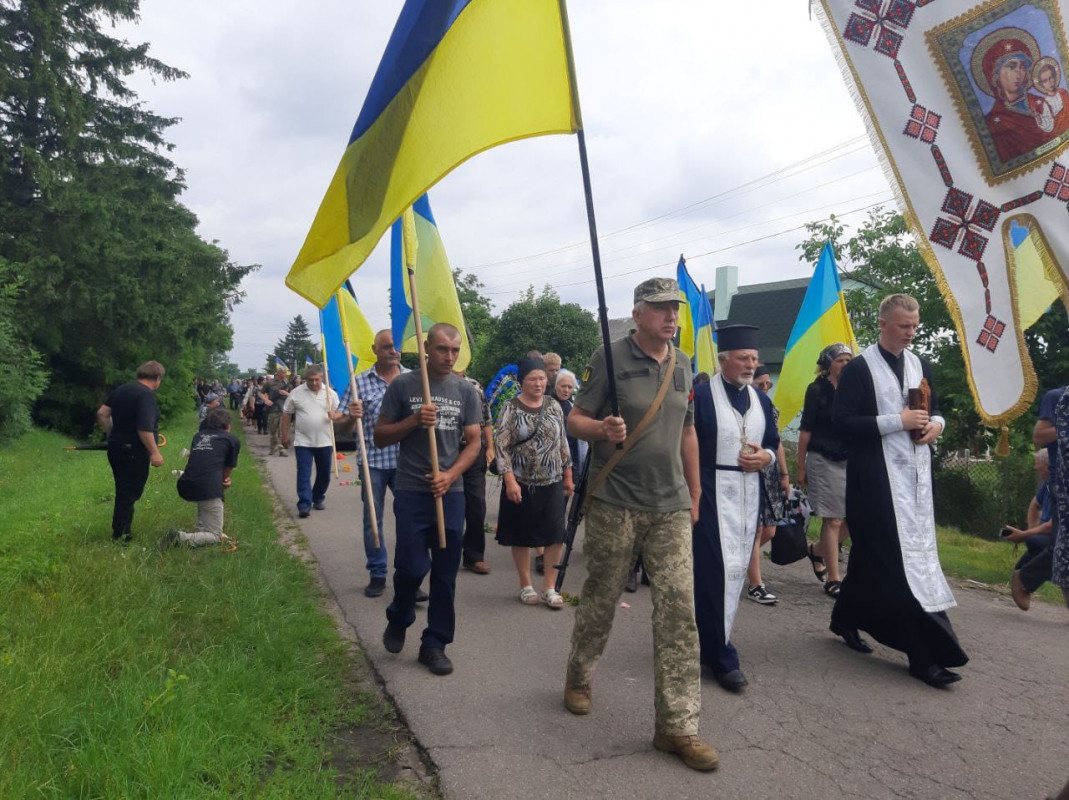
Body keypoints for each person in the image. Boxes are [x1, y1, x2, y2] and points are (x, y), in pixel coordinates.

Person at [564, 277, 717, 772]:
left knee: (678, 612)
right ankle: (580, 674)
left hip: (669, 504)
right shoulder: (609, 357)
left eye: (675, 308)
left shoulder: (684, 362)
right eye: (661, 308)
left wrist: (695, 490)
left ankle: (677, 728)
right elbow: (576, 419)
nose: (671, 315)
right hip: (615, 500)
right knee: (603, 596)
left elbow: (687, 429)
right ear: (638, 313)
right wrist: (600, 429)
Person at [830, 294, 967, 688]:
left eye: (915, 326)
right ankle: (925, 658)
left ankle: (844, 619)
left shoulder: (919, 364)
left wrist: (935, 426)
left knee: (873, 559)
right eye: (904, 326)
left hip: (915, 482)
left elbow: (935, 409)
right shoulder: (859, 369)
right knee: (899, 566)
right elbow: (842, 423)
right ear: (884, 324)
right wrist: (897, 420)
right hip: (873, 484)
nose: (911, 333)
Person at [375, 323, 482, 677]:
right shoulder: (405, 386)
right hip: (410, 490)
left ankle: (434, 644)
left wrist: (450, 475)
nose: (449, 357)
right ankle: (400, 615)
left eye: (454, 350)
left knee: (445, 574)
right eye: (442, 349)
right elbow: (380, 436)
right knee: (410, 567)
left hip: (449, 493)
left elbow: (474, 443)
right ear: (426, 347)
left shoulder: (466, 391)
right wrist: (413, 421)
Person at [692, 326, 781, 692]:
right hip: (711, 492)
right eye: (743, 358)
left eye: (754, 359)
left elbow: (773, 443)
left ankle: (708, 642)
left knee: (736, 569)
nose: (751, 365)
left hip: (748, 493)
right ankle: (721, 654)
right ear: (724, 359)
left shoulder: (760, 400)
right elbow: (686, 445)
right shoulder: (699, 396)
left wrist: (767, 457)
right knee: (715, 570)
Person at [494, 356, 573, 607]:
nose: (539, 383)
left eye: (542, 378)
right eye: (532, 379)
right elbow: (501, 445)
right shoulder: (510, 407)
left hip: (552, 481)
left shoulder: (554, 406)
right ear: (522, 381)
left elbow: (562, 442)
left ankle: (549, 587)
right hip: (521, 482)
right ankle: (525, 584)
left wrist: (568, 475)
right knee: (521, 534)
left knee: (555, 535)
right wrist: (509, 480)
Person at [340, 330, 410, 597]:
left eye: (396, 347)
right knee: (373, 520)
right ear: (375, 350)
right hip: (373, 462)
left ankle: (408, 575)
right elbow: (345, 429)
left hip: (408, 462)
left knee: (409, 520)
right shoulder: (359, 382)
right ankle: (378, 573)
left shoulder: (414, 379)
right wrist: (350, 416)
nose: (393, 351)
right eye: (386, 347)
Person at [797, 343, 854, 598]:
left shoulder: (856, 390)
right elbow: (806, 429)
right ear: (828, 363)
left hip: (851, 459)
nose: (845, 364)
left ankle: (816, 550)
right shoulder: (816, 389)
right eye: (840, 360)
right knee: (832, 518)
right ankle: (834, 578)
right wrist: (800, 466)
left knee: (854, 520)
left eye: (849, 360)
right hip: (823, 457)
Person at [97, 360, 166, 543]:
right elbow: (144, 428)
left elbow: (102, 413)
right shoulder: (146, 396)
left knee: (124, 490)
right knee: (130, 492)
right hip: (134, 451)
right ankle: (120, 535)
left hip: (116, 448)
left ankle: (123, 529)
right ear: (157, 378)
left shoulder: (122, 390)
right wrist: (154, 452)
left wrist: (113, 433)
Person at [160, 408, 240, 548]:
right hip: (207, 486)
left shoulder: (198, 436)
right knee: (216, 536)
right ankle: (179, 537)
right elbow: (227, 471)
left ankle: (201, 532)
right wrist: (224, 481)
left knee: (205, 497)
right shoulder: (232, 440)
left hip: (186, 483)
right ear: (228, 426)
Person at [746, 365, 788, 606]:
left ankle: (740, 563)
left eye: (767, 384)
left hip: (770, 470)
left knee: (769, 530)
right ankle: (755, 584)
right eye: (759, 384)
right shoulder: (746, 407)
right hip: (751, 469)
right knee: (756, 530)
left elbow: (777, 441)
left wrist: (784, 473)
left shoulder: (768, 406)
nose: (764, 388)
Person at [281, 365, 344, 519]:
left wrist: (336, 416)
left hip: (325, 440)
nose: (314, 383)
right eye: (310, 380)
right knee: (304, 473)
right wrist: (284, 435)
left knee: (324, 475)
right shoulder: (296, 393)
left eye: (317, 379)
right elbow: (286, 414)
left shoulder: (330, 393)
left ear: (322, 378)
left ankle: (318, 497)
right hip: (303, 442)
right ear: (305, 379)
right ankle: (304, 504)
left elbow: (341, 412)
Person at [455, 367, 495, 576]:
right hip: (446, 452)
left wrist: (490, 447)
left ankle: (474, 556)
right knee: (446, 505)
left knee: (476, 504)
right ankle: (446, 553)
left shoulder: (475, 386)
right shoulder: (433, 385)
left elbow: (486, 420)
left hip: (473, 450)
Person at [1005, 450, 1056, 610]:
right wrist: (1032, 530)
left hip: (1053, 533)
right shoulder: (1050, 484)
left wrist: (1025, 535)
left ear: (1048, 466)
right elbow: (1035, 505)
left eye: (1038, 464)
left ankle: (1022, 574)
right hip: (1052, 534)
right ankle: (1025, 580)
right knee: (1055, 549)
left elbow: (1055, 524)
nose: (1035, 468)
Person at [262, 369, 291, 456]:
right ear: (278, 373)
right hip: (273, 410)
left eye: (286, 373)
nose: (285, 374)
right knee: (273, 430)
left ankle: (281, 449)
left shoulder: (287, 383)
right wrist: (266, 400)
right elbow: (261, 393)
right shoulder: (269, 383)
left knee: (281, 431)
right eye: (284, 372)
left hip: (284, 410)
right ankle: (273, 448)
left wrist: (287, 393)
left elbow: (293, 395)